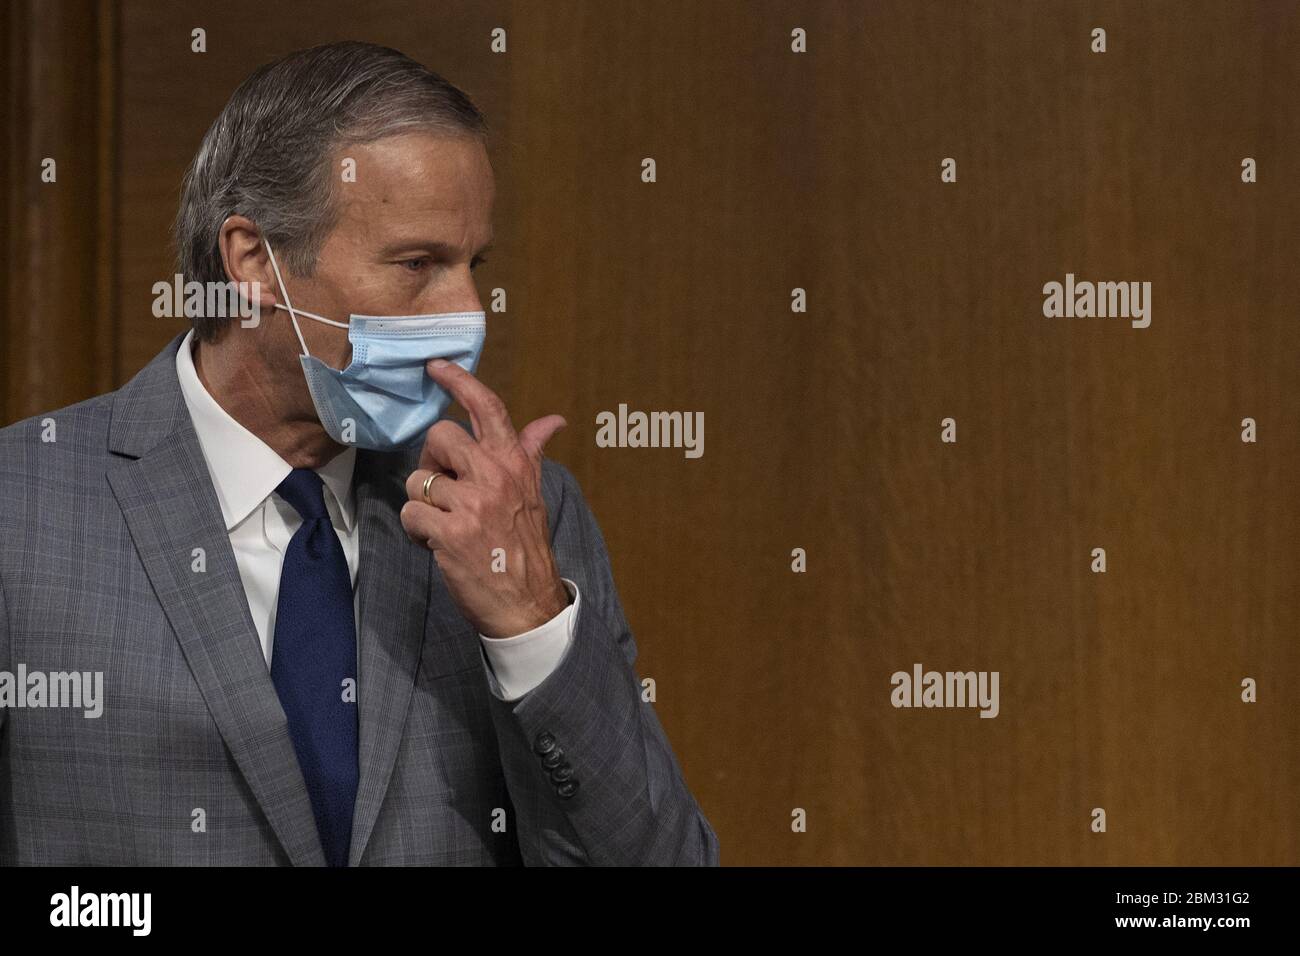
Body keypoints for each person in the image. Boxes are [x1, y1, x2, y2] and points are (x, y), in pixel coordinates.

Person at [0, 40, 718, 866]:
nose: (469, 312)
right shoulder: (22, 511)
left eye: (472, 265)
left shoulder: (523, 513)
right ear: (252, 263)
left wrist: (531, 628)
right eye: (419, 264)